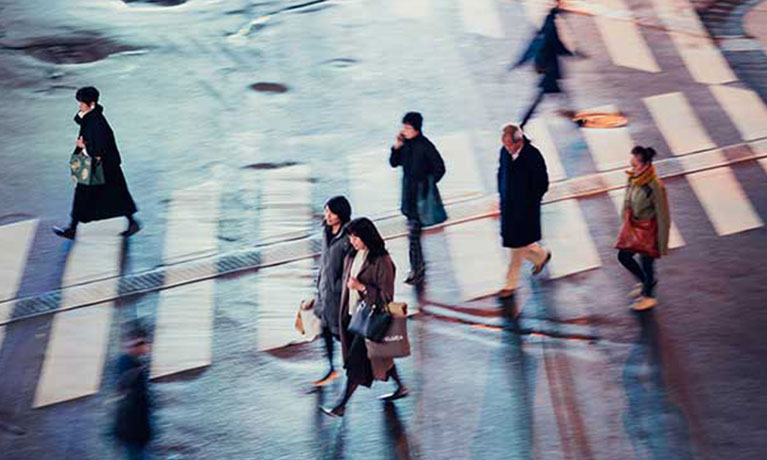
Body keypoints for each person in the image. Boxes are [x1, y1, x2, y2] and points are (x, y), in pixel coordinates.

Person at [321, 218, 409, 418]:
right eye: (350, 236)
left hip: (371, 319)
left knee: (356, 364)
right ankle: (401, 386)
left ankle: (341, 406)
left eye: (355, 236)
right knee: (379, 356)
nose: (352, 240)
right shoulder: (353, 255)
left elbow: (386, 296)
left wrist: (361, 287)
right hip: (353, 315)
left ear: (366, 236)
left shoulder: (383, 261)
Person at [53, 86, 140, 239]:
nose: (79, 105)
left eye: (81, 103)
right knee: (116, 194)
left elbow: (99, 147)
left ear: (91, 104)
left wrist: (83, 146)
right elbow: (80, 119)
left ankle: (73, 228)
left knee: (86, 194)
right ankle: (132, 222)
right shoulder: (92, 116)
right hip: (104, 165)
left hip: (99, 165)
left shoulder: (97, 123)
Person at [389, 112, 446, 285]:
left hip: (419, 199)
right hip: (408, 197)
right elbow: (393, 163)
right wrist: (396, 147)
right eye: (403, 127)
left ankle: (417, 270)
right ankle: (418, 268)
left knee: (413, 237)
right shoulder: (405, 144)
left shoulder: (425, 146)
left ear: (416, 129)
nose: (404, 130)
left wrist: (427, 184)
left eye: (407, 127)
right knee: (414, 237)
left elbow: (440, 168)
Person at [497, 124, 551, 298]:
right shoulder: (505, 153)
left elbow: (542, 183)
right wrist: (502, 195)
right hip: (509, 208)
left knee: (516, 247)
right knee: (518, 243)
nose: (507, 149)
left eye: (510, 145)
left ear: (519, 142)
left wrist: (529, 201)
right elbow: (501, 174)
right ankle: (540, 256)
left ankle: (510, 285)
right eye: (505, 145)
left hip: (525, 210)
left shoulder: (532, 156)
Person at [616, 146, 670, 311]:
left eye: (636, 162)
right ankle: (646, 282)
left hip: (649, 230)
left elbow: (663, 216)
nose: (632, 163)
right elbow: (628, 199)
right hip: (634, 226)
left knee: (647, 263)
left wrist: (661, 244)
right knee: (624, 256)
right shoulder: (634, 177)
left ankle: (649, 297)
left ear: (645, 164)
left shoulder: (655, 186)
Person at [510, 2, 579, 128]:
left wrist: (518, 63)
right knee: (547, 96)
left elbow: (530, 50)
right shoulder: (550, 29)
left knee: (551, 95)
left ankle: (524, 121)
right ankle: (523, 122)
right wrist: (573, 54)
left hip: (545, 68)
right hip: (549, 68)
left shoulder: (544, 30)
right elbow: (557, 46)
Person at [312, 196, 353, 386]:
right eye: (326, 210)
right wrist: (319, 285)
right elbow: (324, 262)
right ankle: (330, 368)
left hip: (339, 299)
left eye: (331, 212)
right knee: (325, 330)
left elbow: (352, 268)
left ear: (341, 215)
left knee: (357, 345)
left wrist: (338, 287)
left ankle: (395, 379)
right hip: (326, 294)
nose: (327, 215)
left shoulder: (349, 238)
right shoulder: (327, 231)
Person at [113, 325, 153, 460]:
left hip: (136, 427)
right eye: (143, 343)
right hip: (132, 428)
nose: (147, 346)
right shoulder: (127, 363)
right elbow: (128, 395)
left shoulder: (135, 362)